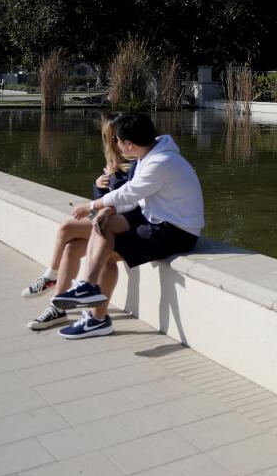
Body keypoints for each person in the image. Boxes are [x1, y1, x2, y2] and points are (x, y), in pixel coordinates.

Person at [52, 112, 203, 339]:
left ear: (129, 144)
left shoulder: (160, 163)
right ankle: (91, 297)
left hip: (176, 231)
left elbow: (130, 192)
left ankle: (96, 314)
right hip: (156, 219)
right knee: (104, 222)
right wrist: (106, 209)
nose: (116, 144)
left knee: (108, 253)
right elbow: (133, 198)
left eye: (117, 140)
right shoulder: (151, 155)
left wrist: (92, 205)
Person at [23, 117, 138, 330]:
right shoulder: (114, 160)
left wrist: (111, 184)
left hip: (123, 224)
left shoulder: (135, 160)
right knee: (70, 248)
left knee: (67, 227)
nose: (113, 141)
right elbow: (106, 197)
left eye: (114, 136)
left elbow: (129, 201)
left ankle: (51, 277)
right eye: (109, 137)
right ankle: (57, 309)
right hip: (109, 220)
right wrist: (98, 184)